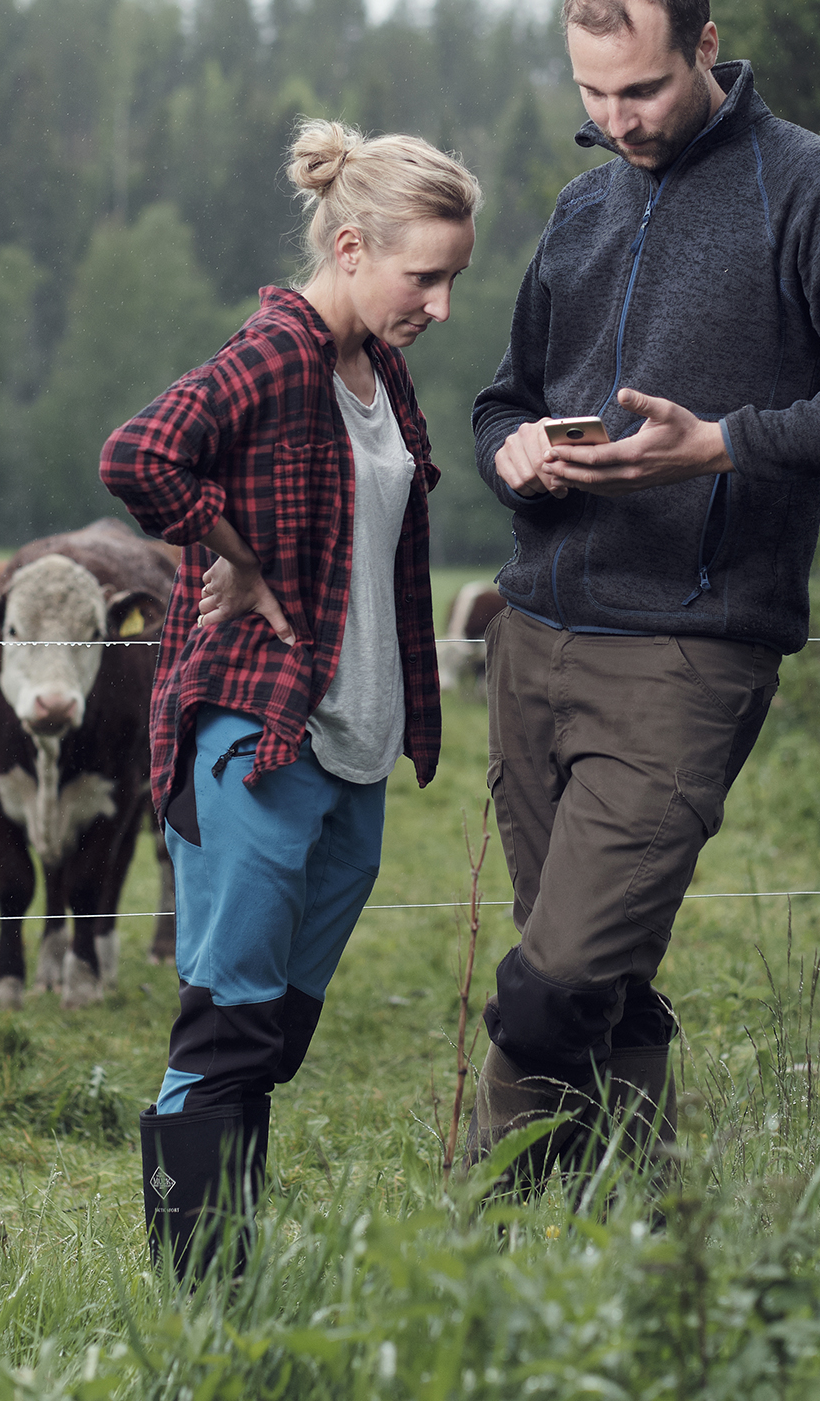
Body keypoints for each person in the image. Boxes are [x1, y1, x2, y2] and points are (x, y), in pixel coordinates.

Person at [466, 0, 820, 1173]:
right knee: (603, 981)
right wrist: (515, 450)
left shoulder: (809, 188)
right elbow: (499, 398)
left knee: (557, 977)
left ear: (703, 47)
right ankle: (628, 1254)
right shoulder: (585, 205)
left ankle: (492, 1223)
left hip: (687, 650)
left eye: (636, 90)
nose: (613, 120)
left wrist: (724, 447)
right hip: (532, 637)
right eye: (590, 94)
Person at [101, 120, 480, 1275]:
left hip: (351, 744)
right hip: (255, 736)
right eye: (426, 276)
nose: (441, 303)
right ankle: (200, 1307)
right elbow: (138, 453)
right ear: (354, 246)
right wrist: (235, 552)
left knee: (273, 1032)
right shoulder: (275, 352)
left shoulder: (380, 371)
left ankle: (236, 1272)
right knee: (225, 1025)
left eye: (454, 278)